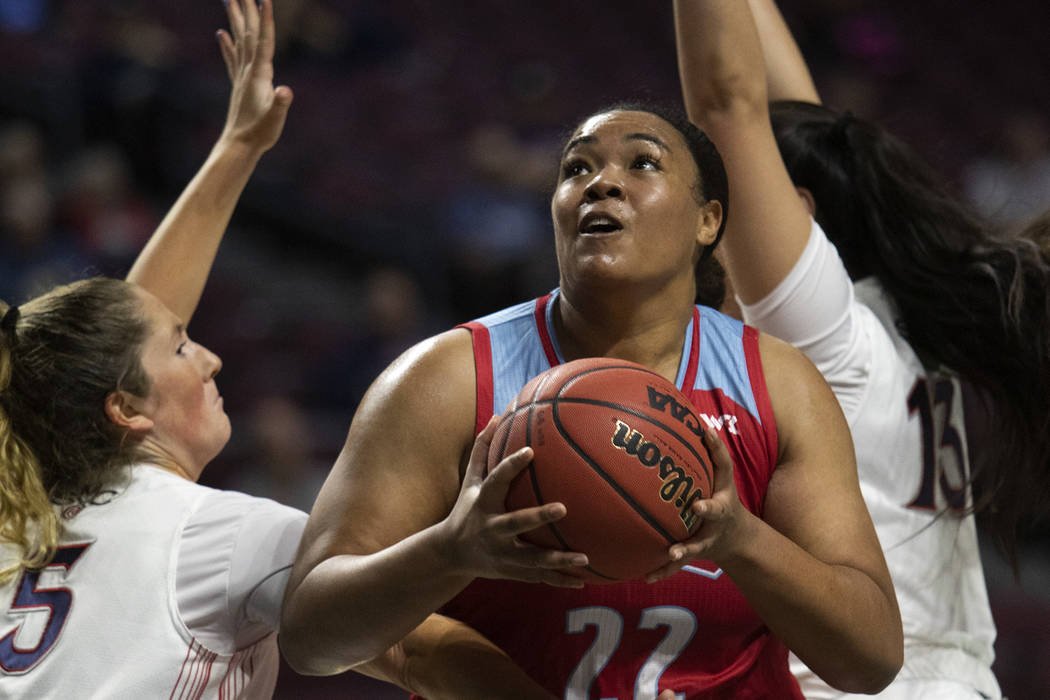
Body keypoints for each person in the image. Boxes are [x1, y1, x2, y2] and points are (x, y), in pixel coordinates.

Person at [279, 16, 903, 700]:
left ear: (708, 221)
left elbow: (869, 658)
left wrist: (741, 541)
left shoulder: (776, 382)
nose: (601, 183)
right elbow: (310, 636)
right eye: (577, 168)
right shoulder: (447, 379)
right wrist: (449, 550)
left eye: (642, 163)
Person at [0, 3, 607, 697]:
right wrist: (450, 553)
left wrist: (237, 149)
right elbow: (419, 654)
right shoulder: (215, 533)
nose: (211, 357)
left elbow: (106, 346)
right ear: (127, 411)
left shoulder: (24, 514)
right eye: (183, 349)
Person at [674, 0, 1050, 697]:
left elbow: (729, 106)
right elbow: (808, 131)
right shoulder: (892, 314)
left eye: (724, 199)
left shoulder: (825, 330)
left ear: (801, 215)